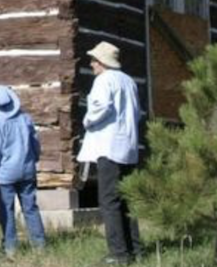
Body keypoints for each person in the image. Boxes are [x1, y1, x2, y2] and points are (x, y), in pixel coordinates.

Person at [77, 42, 141, 265]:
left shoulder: (104, 80)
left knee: (109, 201)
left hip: (109, 147)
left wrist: (87, 120)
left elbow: (100, 108)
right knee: (127, 202)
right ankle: (135, 249)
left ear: (102, 63)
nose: (92, 64)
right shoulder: (129, 81)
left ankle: (118, 253)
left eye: (94, 60)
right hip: (129, 148)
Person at [0, 85, 46, 259]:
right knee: (31, 208)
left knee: (7, 211)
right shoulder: (26, 119)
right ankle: (39, 245)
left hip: (6, 174)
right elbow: (35, 145)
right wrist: (34, 159)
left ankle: (11, 248)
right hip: (27, 170)